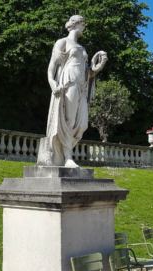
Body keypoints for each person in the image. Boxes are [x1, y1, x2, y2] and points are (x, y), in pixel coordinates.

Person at [37, 14, 108, 167]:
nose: (84, 27)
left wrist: (98, 67)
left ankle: (67, 154)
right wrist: (53, 85)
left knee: (81, 123)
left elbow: (87, 72)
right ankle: (67, 157)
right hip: (68, 82)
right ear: (77, 24)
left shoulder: (82, 48)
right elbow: (51, 69)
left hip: (81, 85)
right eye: (83, 24)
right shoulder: (62, 42)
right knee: (68, 119)